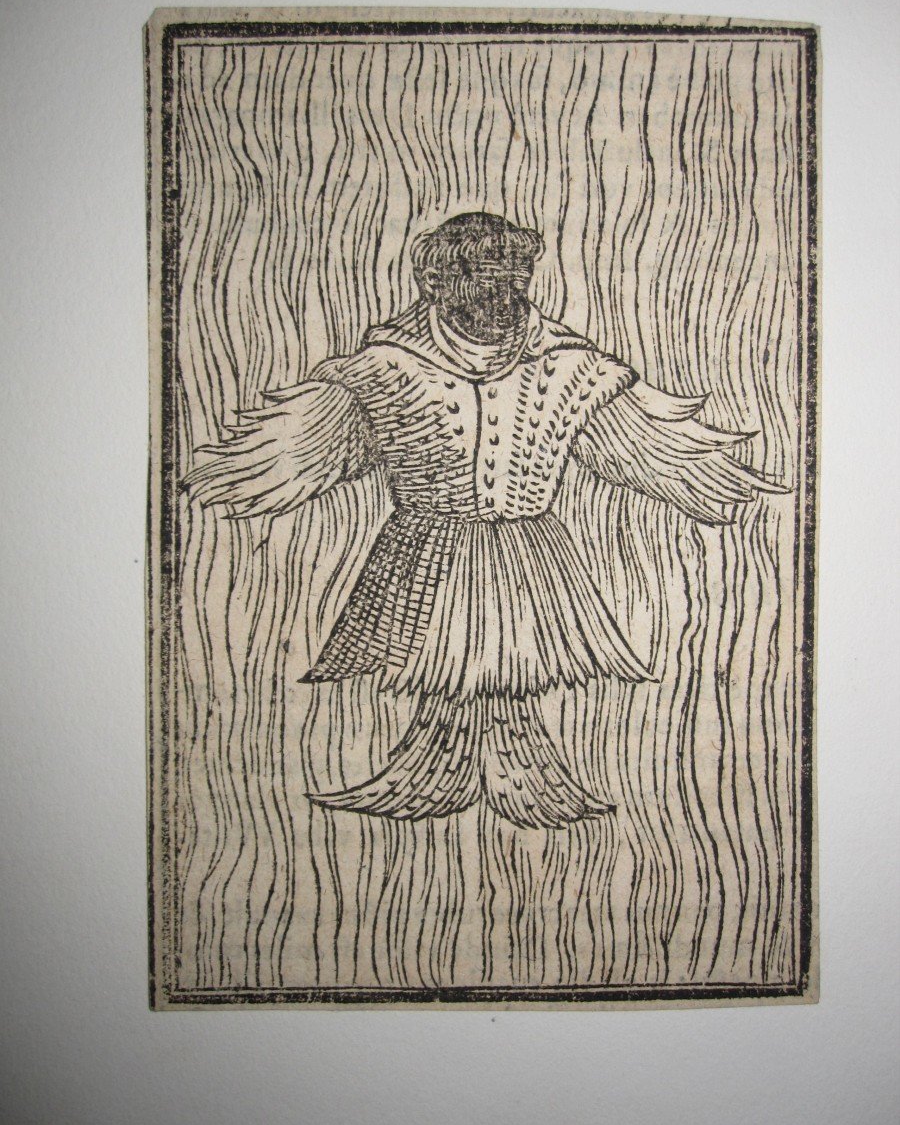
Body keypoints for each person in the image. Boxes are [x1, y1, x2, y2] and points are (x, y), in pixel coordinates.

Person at [184, 212, 783, 828]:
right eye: (488, 279)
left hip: (528, 551)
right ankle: (435, 772)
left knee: (512, 668)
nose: (507, 294)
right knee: (445, 670)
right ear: (437, 284)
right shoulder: (383, 368)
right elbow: (297, 447)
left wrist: (726, 482)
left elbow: (649, 443)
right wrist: (221, 475)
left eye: (517, 279)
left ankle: (518, 776)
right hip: (426, 549)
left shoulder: (570, 365)